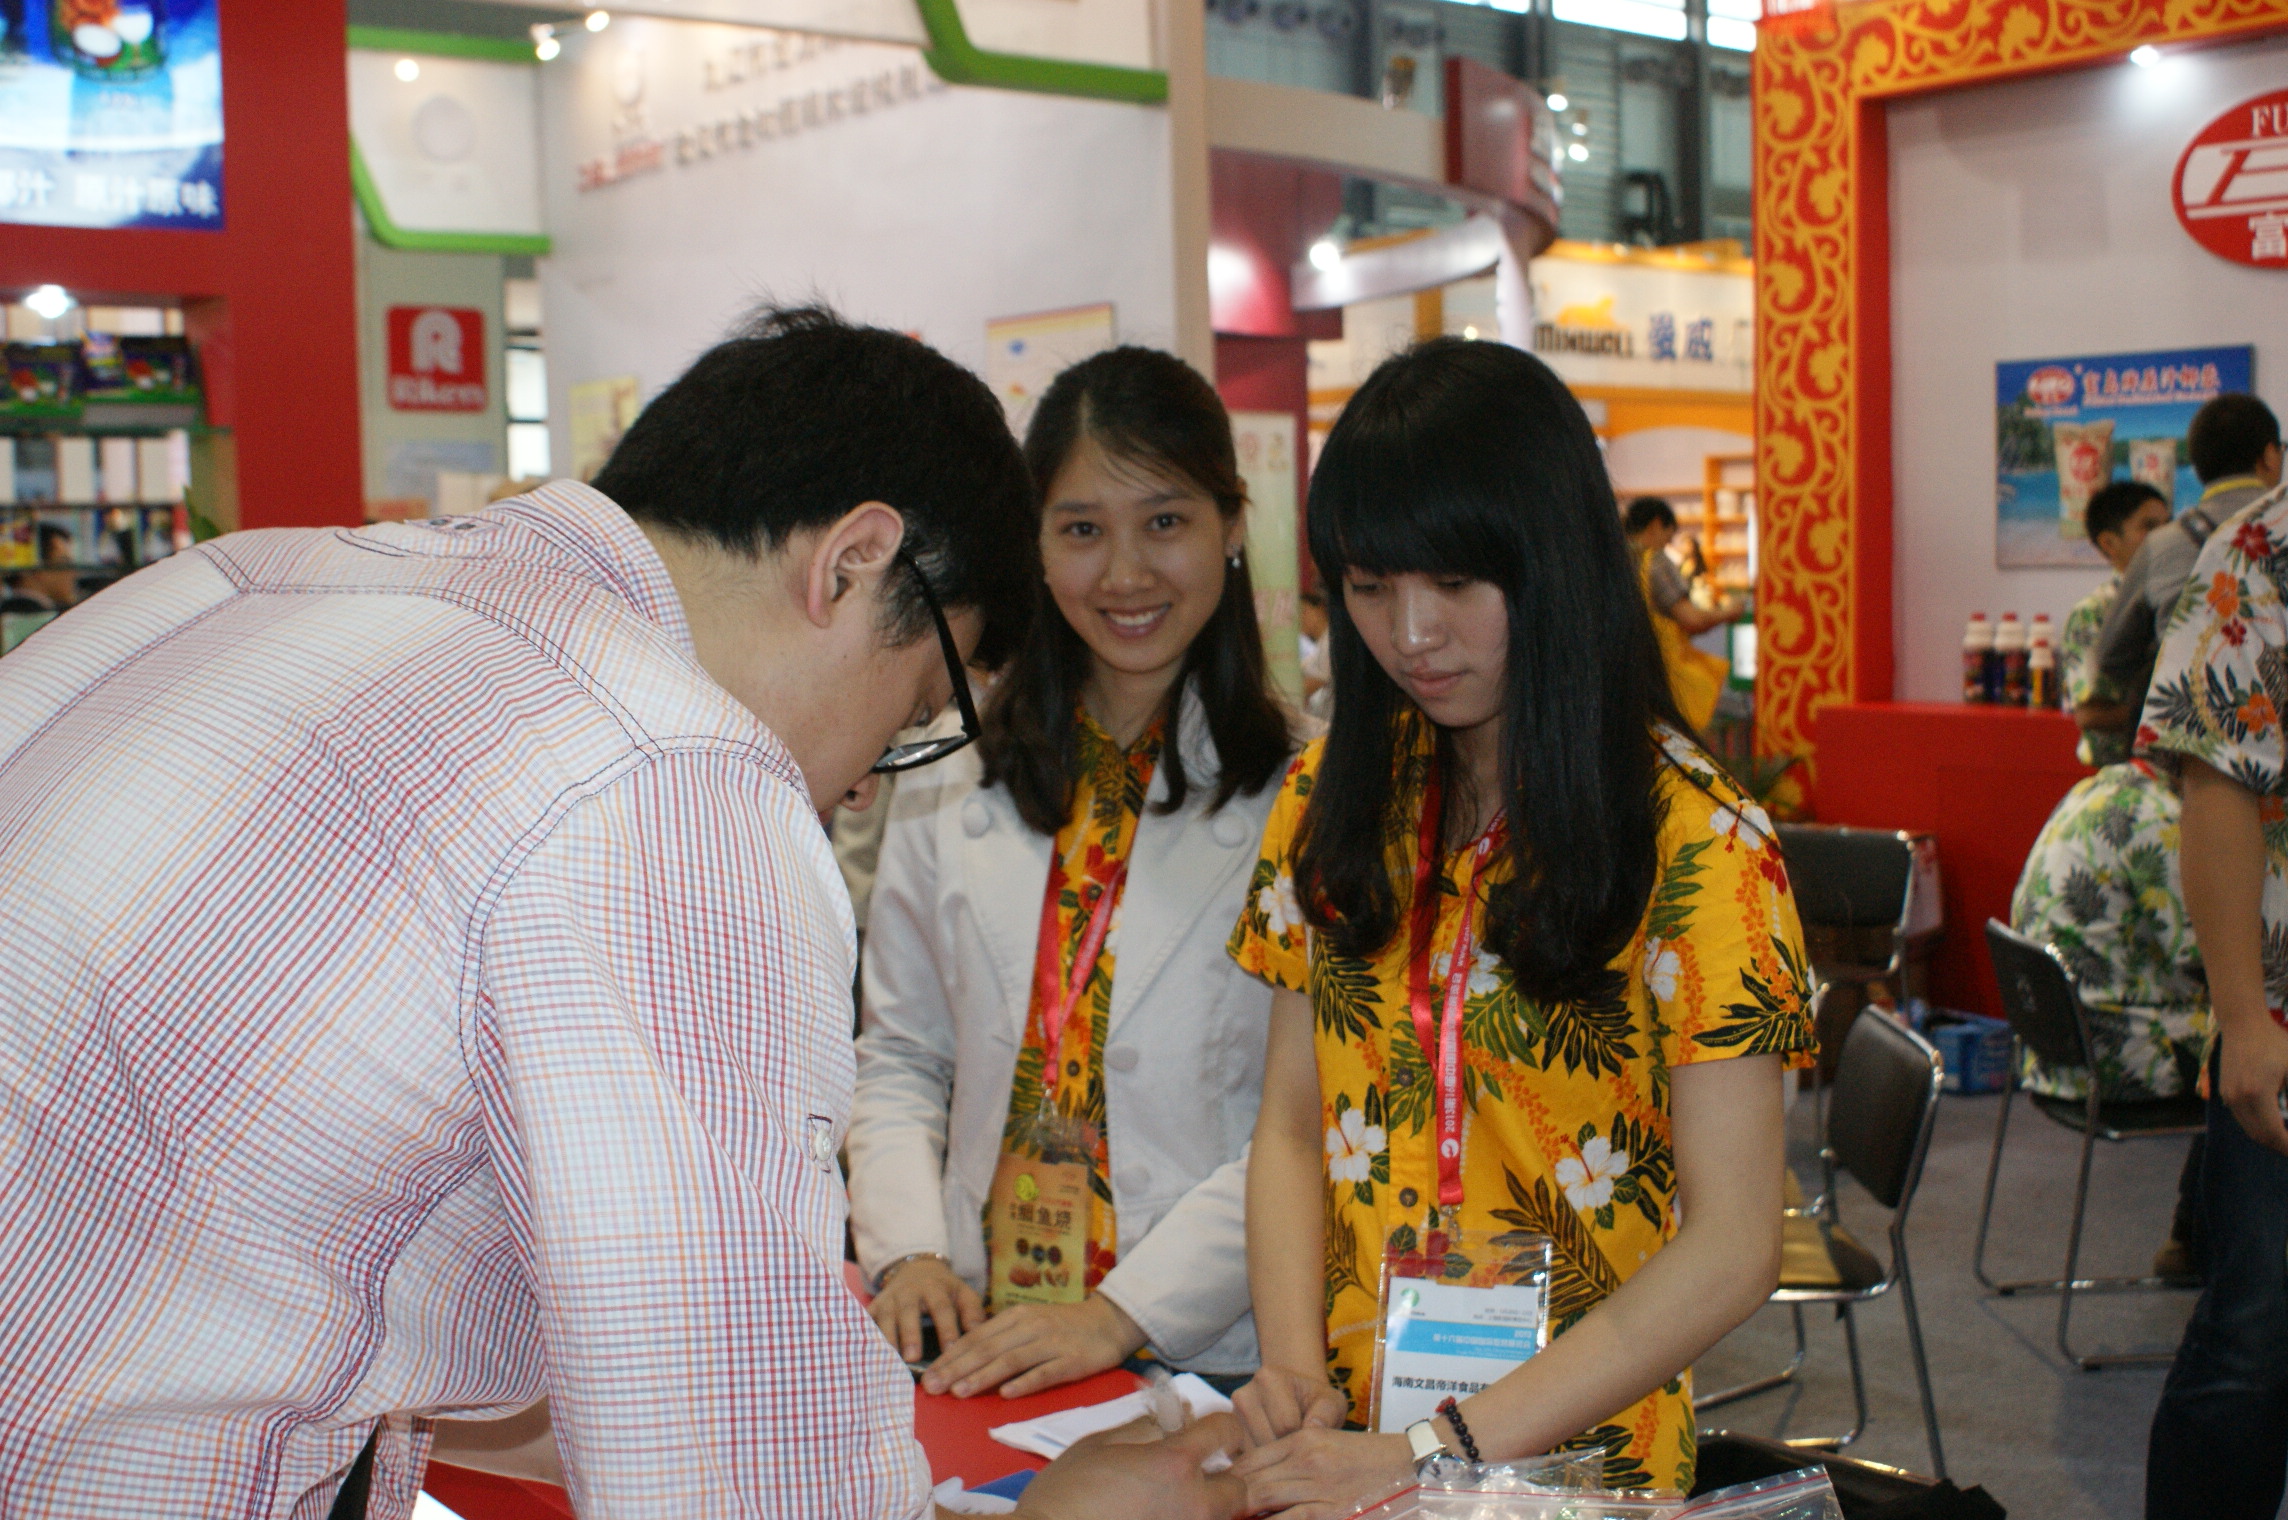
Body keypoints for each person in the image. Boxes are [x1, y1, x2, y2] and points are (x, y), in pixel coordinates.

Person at [0, 307, 1242, 1520]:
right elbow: (731, 1473)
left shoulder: (233, 577)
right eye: (914, 707)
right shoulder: (676, 770)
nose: (868, 780)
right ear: (852, 562)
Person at [1227, 339, 1813, 1510]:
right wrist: (1292, 1371)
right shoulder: (1327, 797)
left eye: (1454, 582)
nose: (1411, 633)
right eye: (1368, 586)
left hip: (1573, 1462)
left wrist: (1432, 1447)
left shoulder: (1700, 841)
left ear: (1551, 563)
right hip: (1349, 1437)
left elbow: (1735, 1242)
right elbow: (1291, 1124)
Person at [849, 346, 1293, 1400]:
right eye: (1082, 529)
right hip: (977, 1331)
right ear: (1035, 542)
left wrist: (1118, 1315)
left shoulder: (1305, 792)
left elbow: (1303, 1120)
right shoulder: (947, 767)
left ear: (1231, 527)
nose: (1125, 573)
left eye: (1164, 521)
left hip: (1201, 1349)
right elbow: (900, 1055)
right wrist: (908, 1252)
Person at [2137, 470, 2288, 1520]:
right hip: (2282, 1019)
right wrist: (2243, 1019)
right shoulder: (2259, 549)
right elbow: (2215, 778)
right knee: (2253, 1335)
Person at [2008, 755, 2209, 1277]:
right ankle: (2240, 1267)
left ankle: (2194, 1239)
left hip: (2055, 1051)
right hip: (2112, 1058)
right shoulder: (2159, 817)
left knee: (2235, 1041)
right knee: (2255, 1047)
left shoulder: (2093, 793)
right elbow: (2206, 952)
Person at [2086, 393, 2283, 756]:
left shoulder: (2161, 545)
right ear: (2270, 455)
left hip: (2193, 754)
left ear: (2198, 467)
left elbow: (2110, 656)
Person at [2062, 480, 2173, 766]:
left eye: (2169, 524)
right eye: (2149, 527)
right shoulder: (2094, 612)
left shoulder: (2178, 599)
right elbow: (2090, 715)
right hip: (2118, 770)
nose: (2166, 537)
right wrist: (2172, 715)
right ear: (2109, 543)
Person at [1624, 495, 1737, 733]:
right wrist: (1728, 613)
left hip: (1623, 682)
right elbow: (1692, 620)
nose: (1667, 545)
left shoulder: (1614, 559)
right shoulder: (1655, 561)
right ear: (1656, 524)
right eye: (1668, 537)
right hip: (1660, 681)